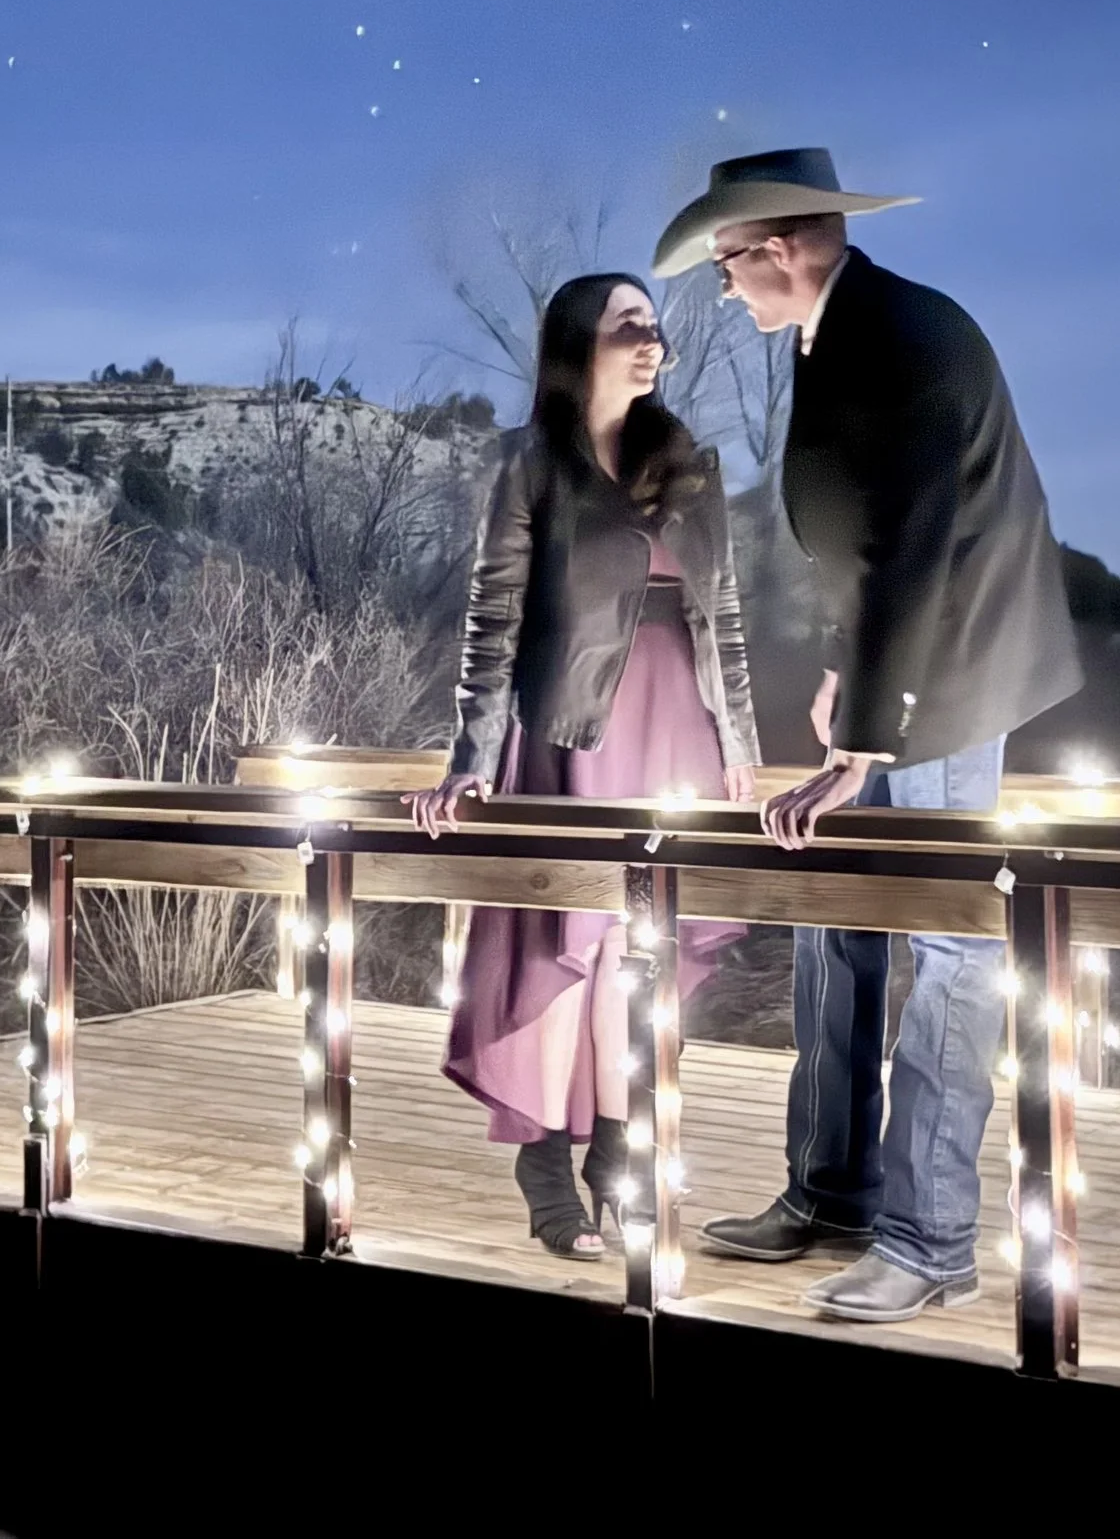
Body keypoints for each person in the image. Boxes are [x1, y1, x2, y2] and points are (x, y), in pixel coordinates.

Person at [651, 148, 1082, 1322]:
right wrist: (847, 670)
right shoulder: (831, 331)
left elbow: (915, 546)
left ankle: (930, 1240)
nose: (726, 291)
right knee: (832, 912)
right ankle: (832, 1189)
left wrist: (867, 741)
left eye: (730, 266)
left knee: (949, 943)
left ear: (780, 247)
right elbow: (859, 532)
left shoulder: (907, 336)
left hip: (958, 665)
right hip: (899, 658)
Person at [408, 274, 760, 1261]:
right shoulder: (528, 463)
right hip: (567, 734)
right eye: (628, 328)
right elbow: (494, 620)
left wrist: (740, 743)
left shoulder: (685, 462)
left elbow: (720, 614)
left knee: (634, 950)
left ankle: (616, 1151)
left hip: (674, 731)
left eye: (655, 329)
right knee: (568, 937)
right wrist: (469, 759)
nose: (653, 345)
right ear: (577, 345)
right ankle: (544, 1165)